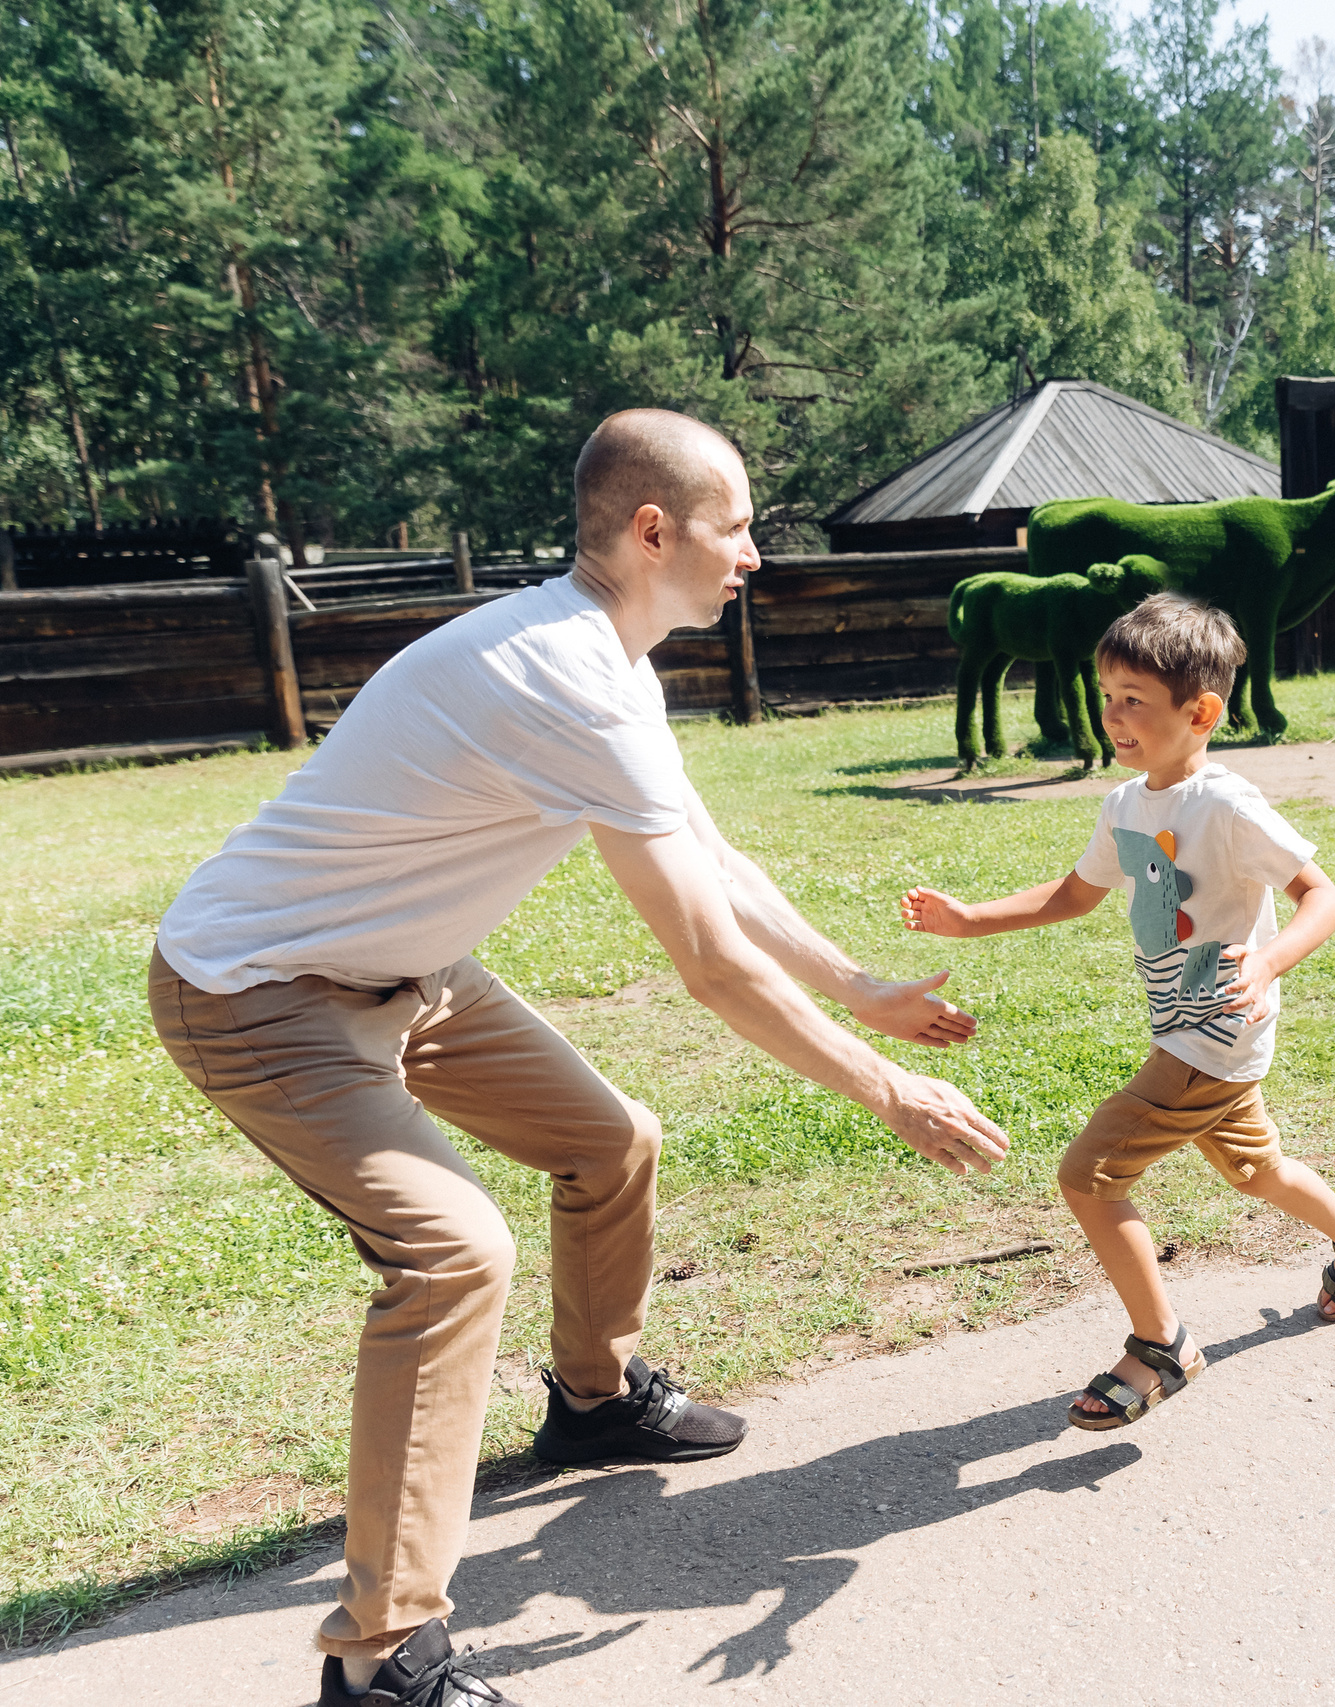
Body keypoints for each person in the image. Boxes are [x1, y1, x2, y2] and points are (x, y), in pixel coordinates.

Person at [150, 410, 1009, 1706]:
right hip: (260, 991)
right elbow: (709, 964)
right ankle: (382, 1658)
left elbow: (717, 865)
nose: (756, 554)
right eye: (739, 525)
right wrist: (883, 1085)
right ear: (653, 529)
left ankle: (595, 1398)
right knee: (451, 1253)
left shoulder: (605, 657)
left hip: (414, 970)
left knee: (612, 1141)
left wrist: (860, 984)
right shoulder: (564, 669)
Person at [899, 594, 1335, 1429]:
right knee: (1255, 1169)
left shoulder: (1226, 806)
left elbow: (1324, 895)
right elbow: (1077, 894)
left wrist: (1269, 960)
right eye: (1107, 694)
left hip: (1214, 1031)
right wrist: (969, 917)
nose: (1113, 714)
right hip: (1185, 1022)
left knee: (1088, 1175)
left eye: (1135, 698)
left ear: (1200, 712)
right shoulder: (1128, 804)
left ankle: (1160, 1343)